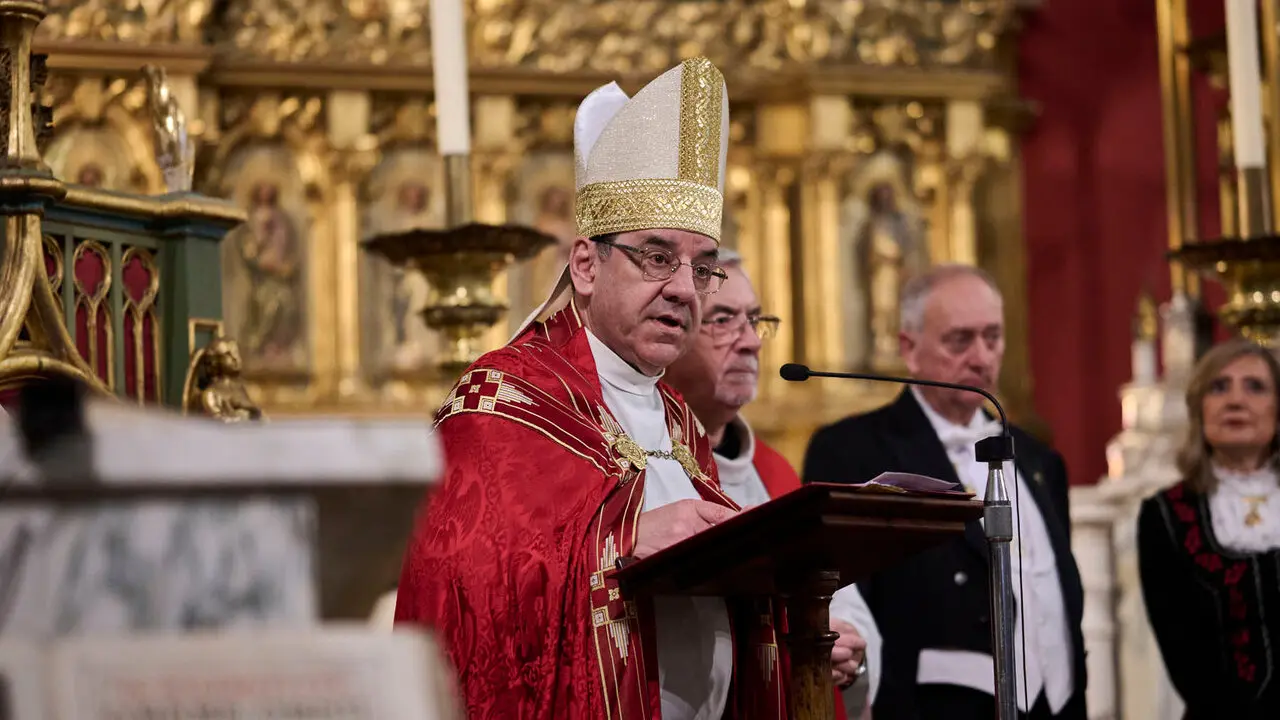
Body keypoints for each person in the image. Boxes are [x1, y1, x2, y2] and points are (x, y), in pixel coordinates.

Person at [396, 57, 813, 718]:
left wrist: (800, 638)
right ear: (586, 265)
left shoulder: (679, 423)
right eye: (656, 257)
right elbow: (458, 599)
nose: (682, 288)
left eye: (702, 268)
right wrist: (619, 547)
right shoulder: (499, 407)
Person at [802, 263, 1087, 720]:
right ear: (909, 349)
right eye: (960, 340)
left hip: (1057, 706)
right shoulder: (854, 450)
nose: (981, 356)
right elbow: (840, 592)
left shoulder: (1039, 461)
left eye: (993, 338)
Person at [663, 249, 883, 719]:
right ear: (669, 332)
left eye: (757, 320)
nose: (752, 343)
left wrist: (848, 651)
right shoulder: (635, 461)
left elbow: (852, 616)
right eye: (723, 320)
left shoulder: (775, 474)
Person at [1138, 338, 1280, 719]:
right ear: (1200, 410)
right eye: (1219, 387)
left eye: (1255, 386)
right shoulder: (1165, 515)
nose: (1235, 400)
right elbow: (1183, 651)